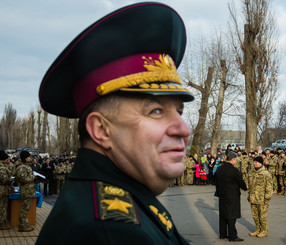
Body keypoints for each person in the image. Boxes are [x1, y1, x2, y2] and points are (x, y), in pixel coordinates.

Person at [36, 3, 193, 244]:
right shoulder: (111, 232)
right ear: (101, 130)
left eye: (179, 111)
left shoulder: (115, 201)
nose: (183, 129)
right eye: (156, 111)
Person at [215, 151, 247, 241]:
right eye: (236, 160)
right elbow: (240, 181)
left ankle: (223, 234)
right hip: (232, 195)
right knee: (231, 215)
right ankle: (232, 236)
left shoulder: (219, 169)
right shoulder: (233, 170)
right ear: (233, 160)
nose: (236, 161)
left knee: (223, 214)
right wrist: (245, 187)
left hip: (222, 195)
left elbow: (216, 182)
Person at [247, 156, 273, 238]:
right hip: (253, 197)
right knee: (255, 215)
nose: (255, 164)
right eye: (254, 162)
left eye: (256, 162)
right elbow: (247, 182)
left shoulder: (266, 174)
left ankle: (264, 231)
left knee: (262, 216)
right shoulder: (251, 172)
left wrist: (267, 198)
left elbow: (269, 187)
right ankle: (257, 229)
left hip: (262, 199)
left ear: (261, 163)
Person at [14, 151, 36, 232]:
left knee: (26, 208)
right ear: (25, 158)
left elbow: (28, 177)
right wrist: (33, 177)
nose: (30, 158)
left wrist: (36, 179)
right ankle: (22, 226)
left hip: (29, 190)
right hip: (25, 190)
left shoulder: (27, 166)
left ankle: (25, 223)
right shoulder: (22, 167)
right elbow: (22, 179)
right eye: (29, 157)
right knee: (24, 208)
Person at [0, 150, 13, 230]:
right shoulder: (2, 167)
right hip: (2, 190)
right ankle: (1, 223)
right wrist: (12, 179)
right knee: (2, 207)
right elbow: (4, 180)